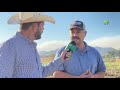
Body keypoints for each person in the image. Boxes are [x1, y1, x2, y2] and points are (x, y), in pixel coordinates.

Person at [0, 12, 71, 78]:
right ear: (34, 26)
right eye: (42, 25)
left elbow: (41, 72)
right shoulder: (10, 45)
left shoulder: (32, 47)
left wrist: (61, 59)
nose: (43, 28)